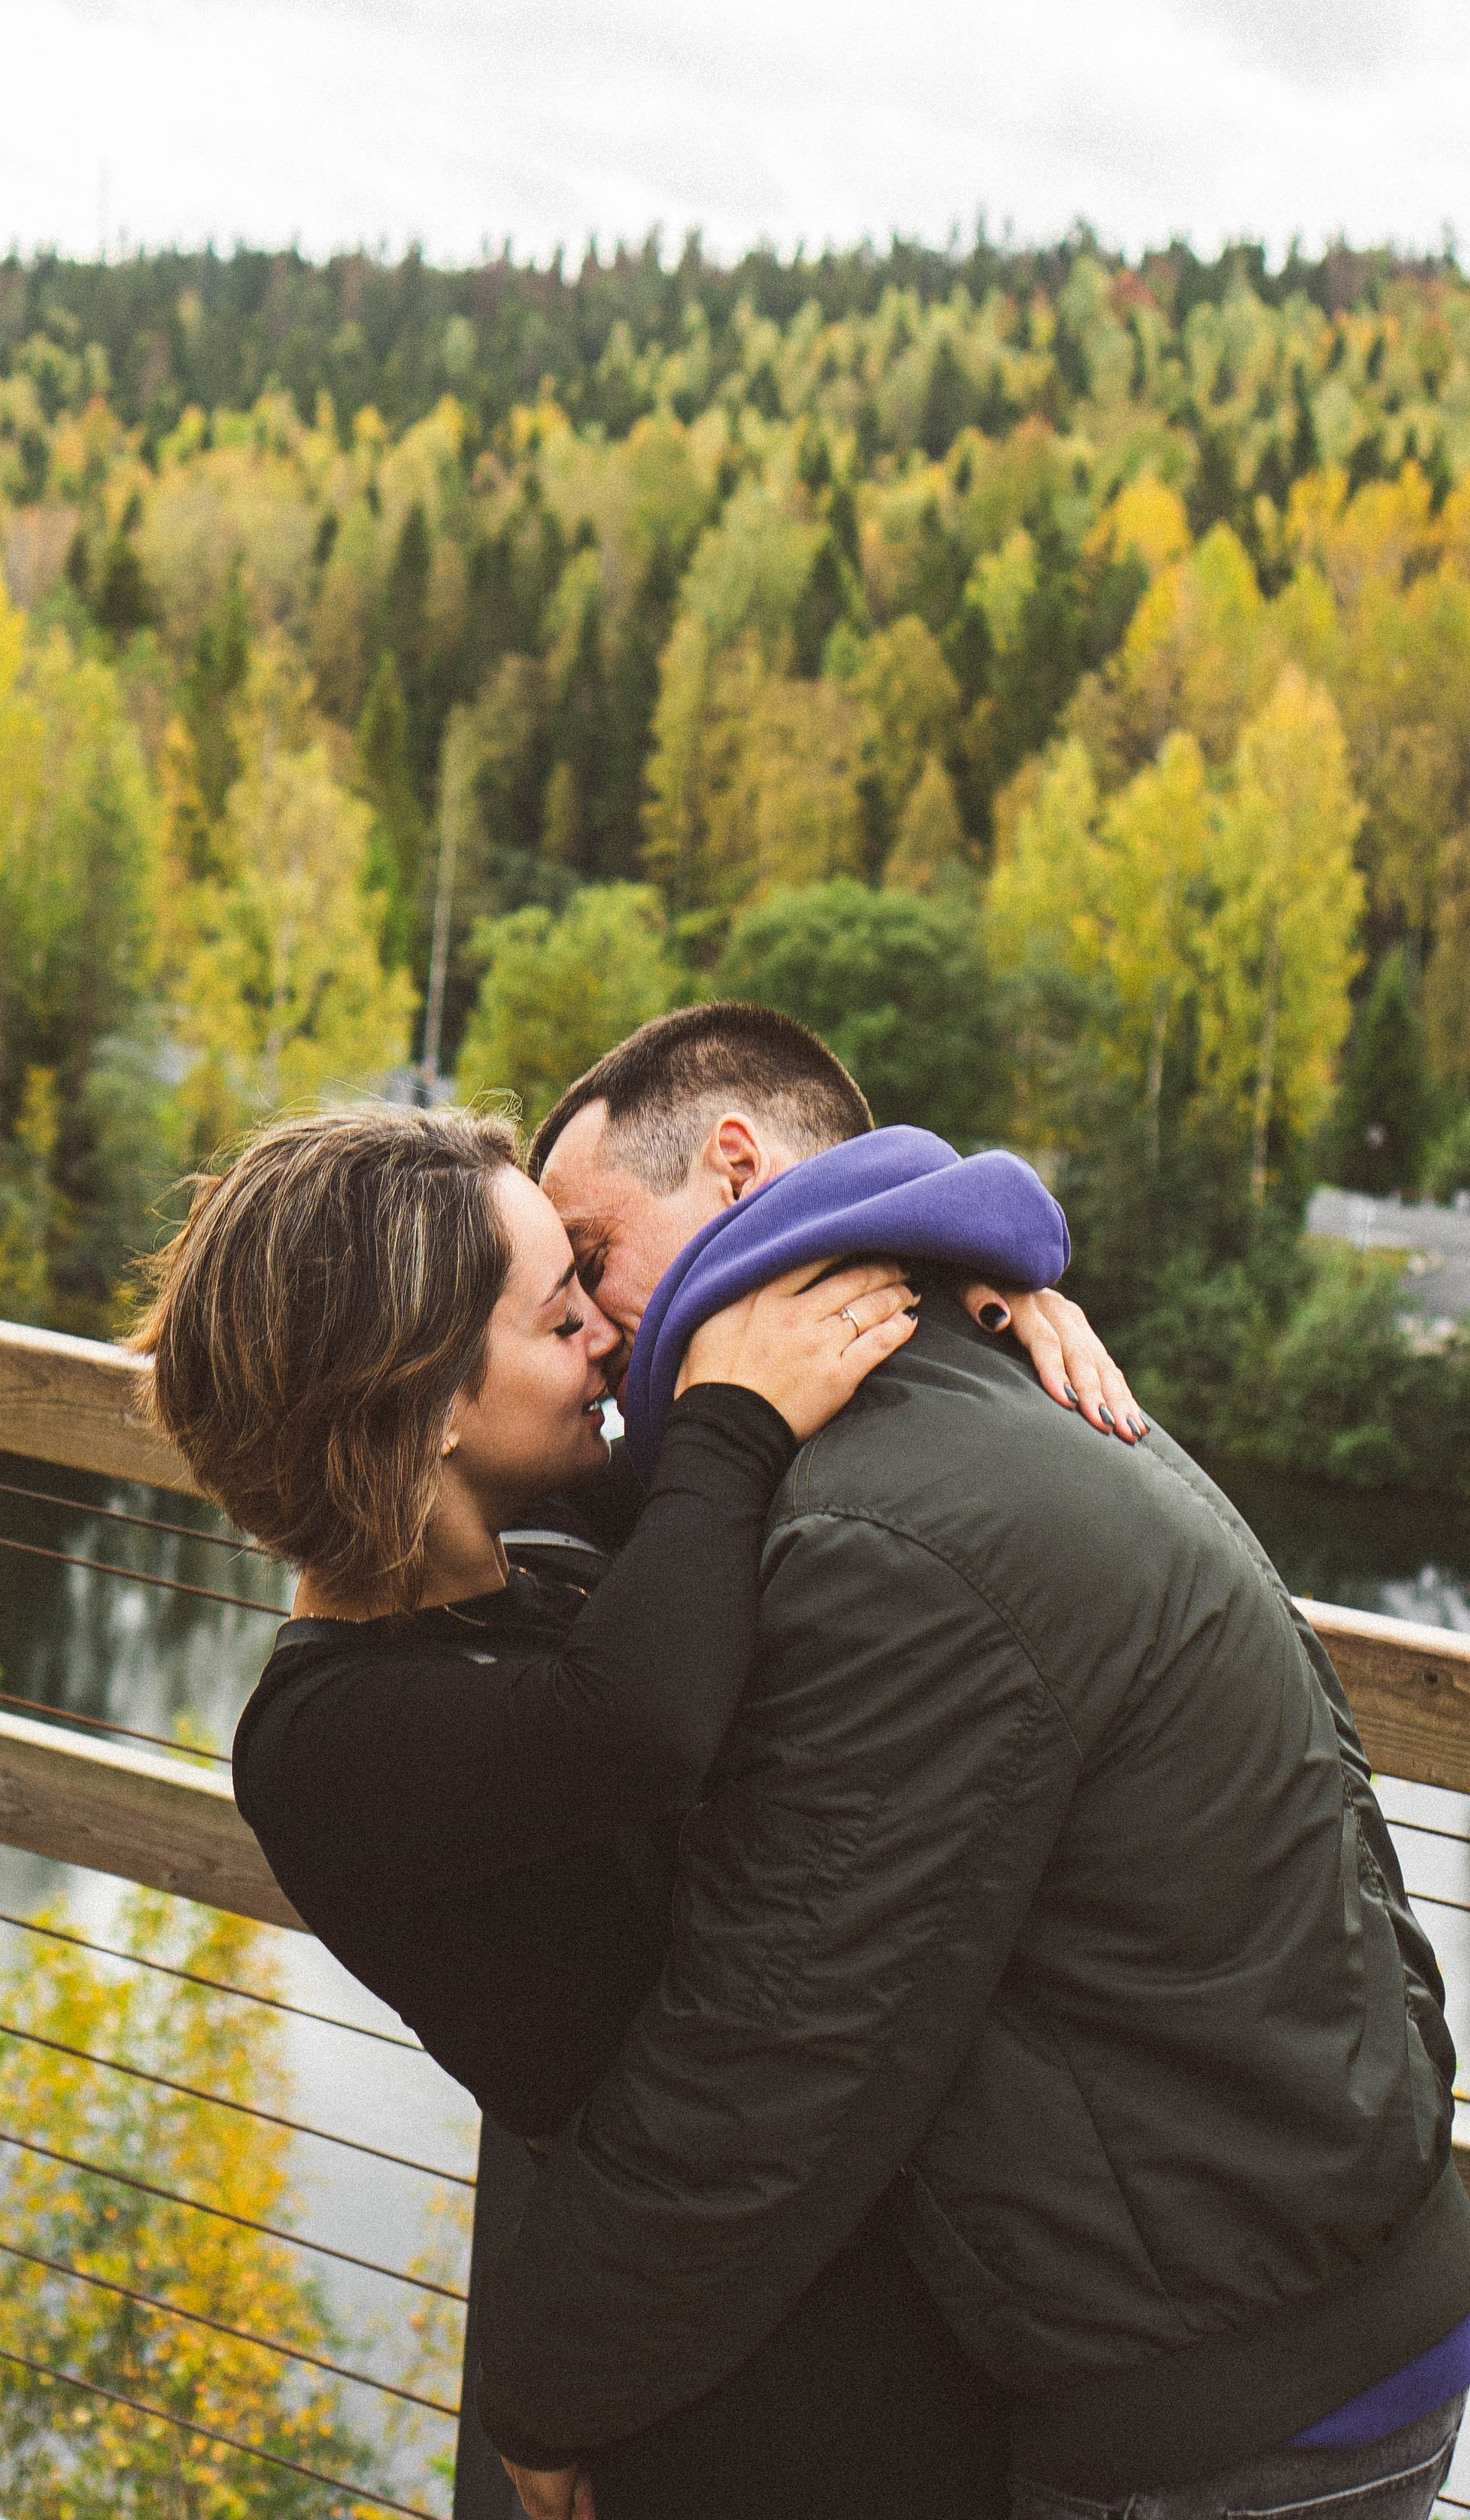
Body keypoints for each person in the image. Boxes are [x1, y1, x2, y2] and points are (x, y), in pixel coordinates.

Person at [474, 1002, 1470, 2520]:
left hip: (1224, 2410)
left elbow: (772, 2043)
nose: (589, 1328)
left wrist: (550, 2387)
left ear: (733, 1168)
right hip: (1301, 2309)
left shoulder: (886, 1526)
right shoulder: (981, 1382)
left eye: (590, 1256)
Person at [137, 1094, 1136, 2519]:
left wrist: (985, 1305)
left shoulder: (536, 1558)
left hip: (825, 2284)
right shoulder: (322, 1744)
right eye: (561, 1323)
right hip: (728, 2395)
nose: (613, 1334)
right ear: (422, 1413)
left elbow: (902, 1232)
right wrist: (728, 1418)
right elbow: (636, 1721)